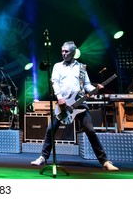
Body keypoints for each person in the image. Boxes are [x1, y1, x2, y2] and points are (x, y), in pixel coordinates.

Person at [30, 41, 119, 171]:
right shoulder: (57, 66)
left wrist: (96, 88)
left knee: (90, 130)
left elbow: (86, 85)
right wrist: (59, 97)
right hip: (63, 103)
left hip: (80, 103)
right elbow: (55, 83)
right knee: (51, 129)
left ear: (73, 52)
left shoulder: (82, 67)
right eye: (62, 51)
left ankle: (104, 161)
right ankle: (43, 157)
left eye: (66, 51)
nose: (64, 53)